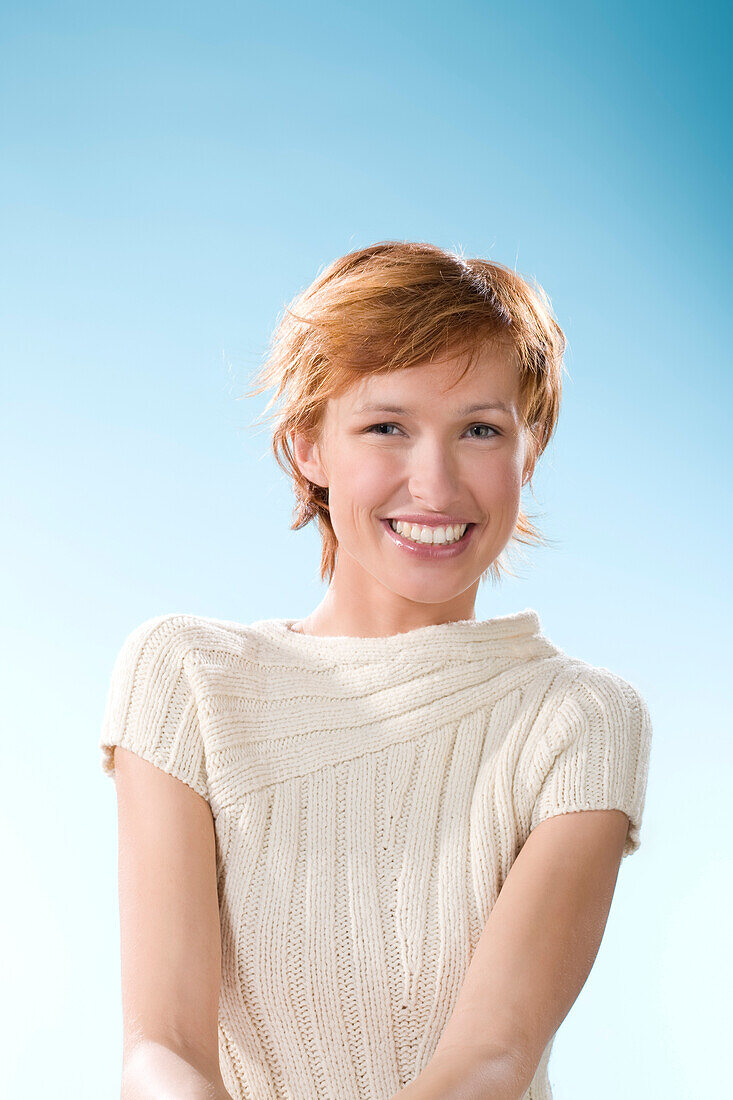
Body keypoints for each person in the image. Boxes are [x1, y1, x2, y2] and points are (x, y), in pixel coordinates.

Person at [99, 240, 653, 1100]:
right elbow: (162, 1049)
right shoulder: (189, 679)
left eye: (478, 429)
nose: (433, 485)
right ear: (307, 450)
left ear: (526, 454)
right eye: (385, 427)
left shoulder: (580, 718)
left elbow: (489, 1062)